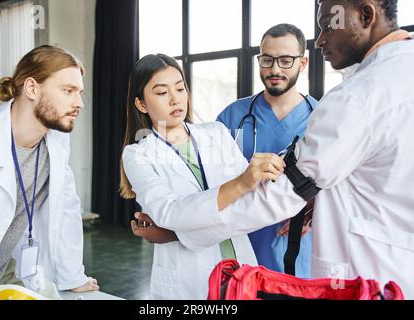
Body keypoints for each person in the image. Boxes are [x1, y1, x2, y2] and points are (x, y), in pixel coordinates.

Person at [134, 0, 414, 298]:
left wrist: (180, 229)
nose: (320, 39)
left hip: (354, 267)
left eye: (326, 26)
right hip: (248, 250)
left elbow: (282, 193)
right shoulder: (230, 119)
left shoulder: (352, 99)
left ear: (366, 15)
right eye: (267, 60)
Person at [120, 53, 286, 299]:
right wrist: (240, 184)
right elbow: (171, 213)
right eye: (162, 92)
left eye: (180, 88)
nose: (175, 99)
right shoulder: (137, 155)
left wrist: (174, 233)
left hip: (239, 268)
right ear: (141, 104)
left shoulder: (216, 133)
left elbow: (251, 203)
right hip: (188, 280)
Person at [0, 45, 99, 300]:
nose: (79, 103)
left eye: (79, 92)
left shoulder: (56, 141)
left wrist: (73, 276)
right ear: (32, 88)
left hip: (2, 274)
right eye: (68, 91)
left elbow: (67, 208)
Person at [216, 24, 318, 278]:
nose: (274, 69)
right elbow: (207, 182)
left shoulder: (323, 119)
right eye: (267, 59)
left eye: (285, 60)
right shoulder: (233, 117)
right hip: (240, 253)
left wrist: (318, 201)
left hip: (300, 256)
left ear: (303, 63)